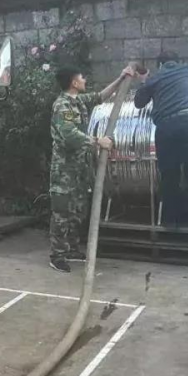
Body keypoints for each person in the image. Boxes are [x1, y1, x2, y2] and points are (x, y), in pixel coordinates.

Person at [49, 63, 136, 273]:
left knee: (78, 209)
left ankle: (70, 248)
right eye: (82, 77)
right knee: (62, 213)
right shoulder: (63, 106)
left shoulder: (78, 102)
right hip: (65, 171)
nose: (85, 80)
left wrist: (121, 77)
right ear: (73, 82)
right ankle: (57, 255)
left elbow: (100, 96)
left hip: (80, 169)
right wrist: (99, 141)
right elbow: (69, 135)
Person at [133, 51, 188, 226]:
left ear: (160, 65)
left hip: (166, 128)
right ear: (178, 61)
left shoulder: (156, 78)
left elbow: (138, 102)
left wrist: (145, 80)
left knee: (169, 176)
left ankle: (170, 221)